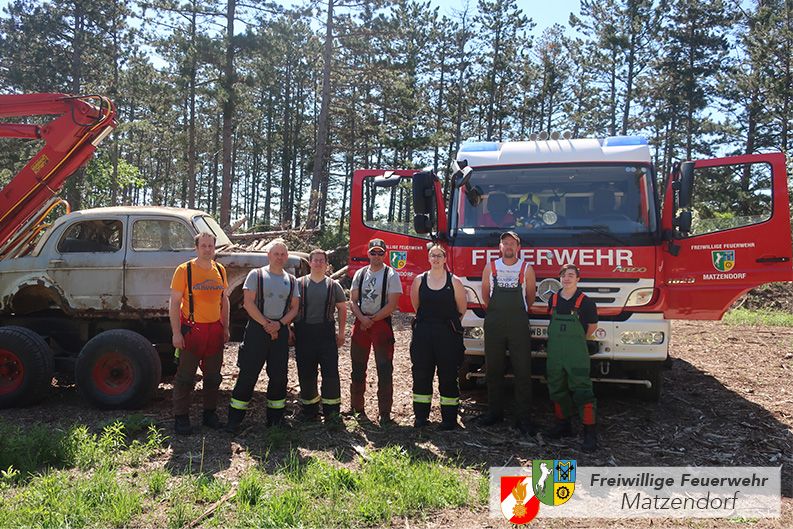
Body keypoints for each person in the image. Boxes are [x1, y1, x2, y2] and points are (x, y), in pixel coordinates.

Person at [226, 239, 299, 432]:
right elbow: (248, 303)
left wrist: (279, 324)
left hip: (280, 331)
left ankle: (275, 421)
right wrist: (267, 324)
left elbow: (294, 308)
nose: (280, 257)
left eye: (283, 254)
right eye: (276, 254)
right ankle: (234, 421)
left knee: (279, 376)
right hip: (258, 331)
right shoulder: (256, 275)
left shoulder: (291, 280)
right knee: (248, 375)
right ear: (269, 255)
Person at [169, 232, 230, 435]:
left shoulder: (220, 270)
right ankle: (181, 418)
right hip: (192, 330)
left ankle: (209, 414)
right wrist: (176, 333)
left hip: (214, 330)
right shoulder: (184, 270)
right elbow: (174, 302)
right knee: (185, 377)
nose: (207, 249)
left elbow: (225, 300)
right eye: (203, 246)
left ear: (215, 248)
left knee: (213, 377)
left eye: (210, 246)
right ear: (196, 248)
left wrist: (226, 327)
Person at [479, 231, 537, 434]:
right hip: (494, 323)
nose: (508, 246)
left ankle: (523, 418)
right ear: (500, 246)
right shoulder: (491, 267)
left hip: (518, 323)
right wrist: (497, 312)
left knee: (522, 370)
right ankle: (494, 413)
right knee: (493, 369)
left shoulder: (526, 268)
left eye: (512, 243)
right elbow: (485, 294)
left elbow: (530, 297)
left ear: (518, 247)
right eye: (505, 243)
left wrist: (515, 312)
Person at [409, 244, 467, 429]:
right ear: (428, 258)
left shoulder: (454, 281)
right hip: (424, 334)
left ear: (445, 259)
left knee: (448, 375)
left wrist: (447, 326)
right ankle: (420, 417)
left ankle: (449, 419)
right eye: (432, 255)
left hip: (447, 335)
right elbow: (416, 305)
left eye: (439, 255)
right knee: (421, 374)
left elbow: (461, 309)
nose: (435, 259)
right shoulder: (419, 280)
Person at [349, 238, 403, 425]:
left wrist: (372, 320)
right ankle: (357, 409)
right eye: (374, 252)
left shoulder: (391, 274)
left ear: (385, 254)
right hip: (361, 323)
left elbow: (392, 304)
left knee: (384, 369)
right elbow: (353, 300)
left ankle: (385, 413)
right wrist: (362, 319)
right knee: (357, 367)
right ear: (368, 253)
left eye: (380, 252)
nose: (377, 256)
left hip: (381, 325)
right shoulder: (360, 274)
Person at [545, 264, 599, 451]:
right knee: (556, 387)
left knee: (582, 390)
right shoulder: (553, 299)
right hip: (555, 354)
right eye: (563, 275)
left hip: (576, 354)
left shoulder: (586, 302)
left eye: (570, 275)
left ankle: (589, 433)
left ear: (578, 279)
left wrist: (576, 342)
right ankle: (563, 426)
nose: (566, 278)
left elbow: (592, 327)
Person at [292, 249, 347, 422]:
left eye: (321, 260)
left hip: (326, 334)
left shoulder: (333, 285)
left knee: (330, 372)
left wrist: (341, 333)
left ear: (326, 264)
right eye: (315, 260)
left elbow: (342, 309)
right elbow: (290, 309)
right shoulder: (298, 284)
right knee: (306, 372)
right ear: (310, 263)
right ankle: (310, 410)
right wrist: (287, 330)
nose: (318, 263)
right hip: (304, 334)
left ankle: (332, 411)